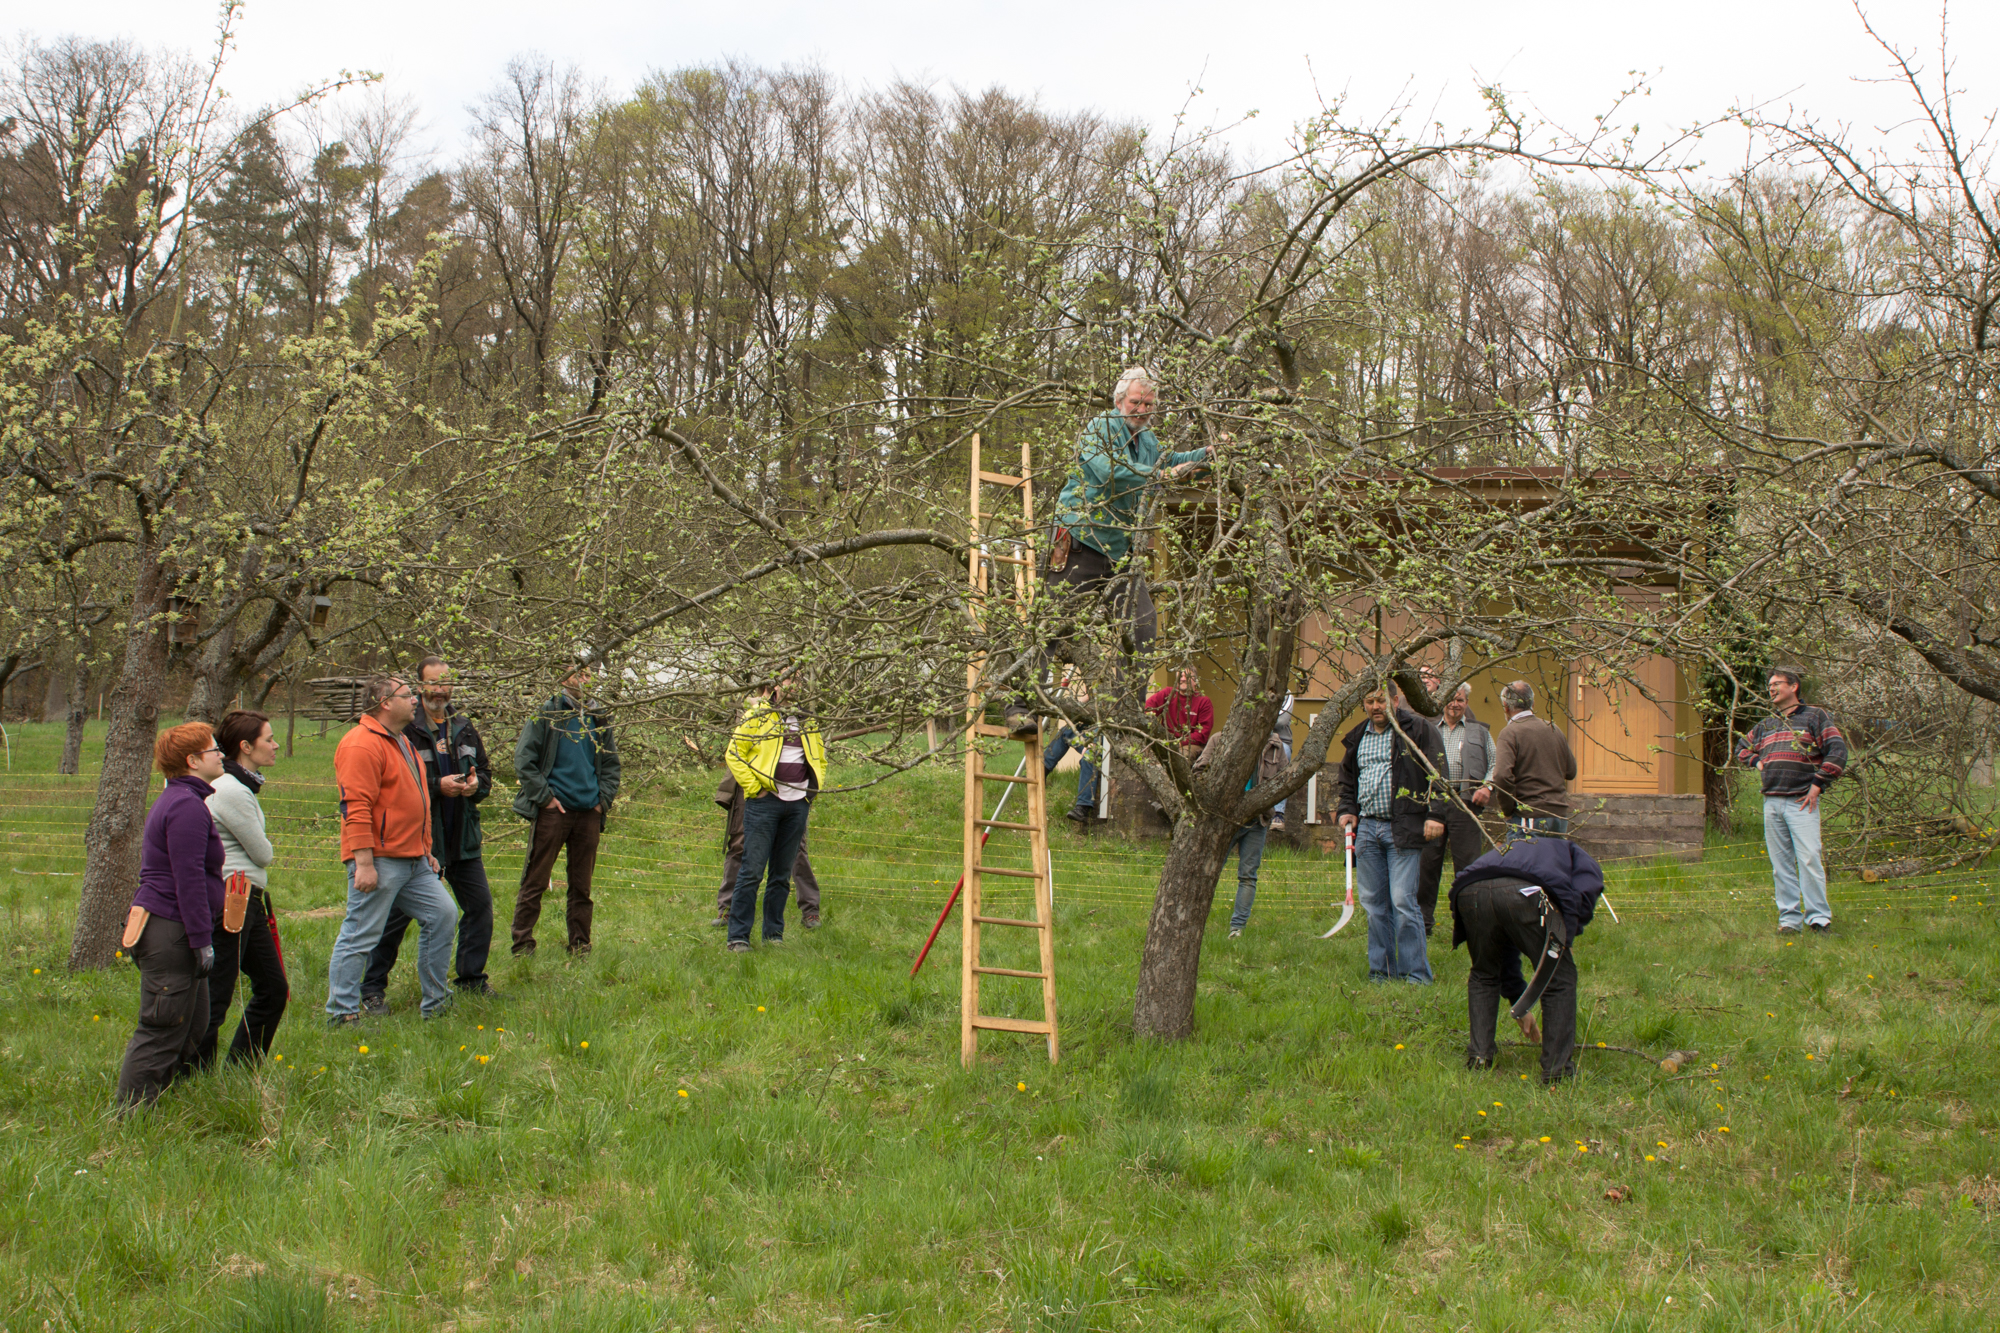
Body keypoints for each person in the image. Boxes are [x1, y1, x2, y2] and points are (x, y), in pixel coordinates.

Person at [1006, 367, 1214, 736]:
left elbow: (1170, 463)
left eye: (1149, 404)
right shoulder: (1100, 428)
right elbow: (1110, 472)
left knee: (1144, 624)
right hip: (1081, 539)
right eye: (1136, 401)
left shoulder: (1147, 441)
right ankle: (1021, 707)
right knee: (1051, 622)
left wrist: (1209, 455)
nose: (1142, 409)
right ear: (1120, 401)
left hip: (1120, 554)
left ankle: (1125, 710)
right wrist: (1162, 477)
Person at [362, 657, 499, 1011]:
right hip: (421, 839)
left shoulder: (464, 726)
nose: (440, 690)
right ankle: (372, 989)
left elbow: (484, 771)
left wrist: (474, 786)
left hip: (462, 836)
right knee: (396, 917)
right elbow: (399, 782)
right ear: (420, 686)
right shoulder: (408, 727)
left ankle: (470, 979)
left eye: (446, 683)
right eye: (433, 683)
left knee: (479, 907)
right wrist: (438, 786)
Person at [325, 676, 460, 1024]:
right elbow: (355, 807)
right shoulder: (361, 744)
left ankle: (437, 1005)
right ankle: (342, 1013)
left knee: (443, 914)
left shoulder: (402, 742)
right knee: (360, 933)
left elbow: (418, 799)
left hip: (413, 859)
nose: (416, 700)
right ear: (384, 701)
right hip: (380, 860)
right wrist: (364, 862)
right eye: (407, 695)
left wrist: (425, 848)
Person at [117, 722, 226, 1105]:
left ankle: (155, 1103)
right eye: (215, 750)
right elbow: (189, 879)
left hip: (178, 930)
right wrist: (201, 940)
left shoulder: (186, 801)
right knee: (162, 1027)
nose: (221, 755)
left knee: (192, 1025)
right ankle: (131, 1117)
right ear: (193, 760)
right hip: (171, 931)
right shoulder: (184, 807)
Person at [1450, 832, 1606, 1084]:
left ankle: (1479, 1058)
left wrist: (1519, 1001)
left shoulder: (1519, 848)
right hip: (1525, 891)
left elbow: (1504, 950)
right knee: (1559, 978)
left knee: (1484, 973)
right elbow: (1586, 892)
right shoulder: (1579, 857)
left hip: (1469, 890)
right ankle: (1557, 1072)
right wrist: (1567, 936)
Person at [1335, 684, 1449, 983]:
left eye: (1382, 700)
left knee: (1402, 900)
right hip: (1368, 828)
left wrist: (1436, 814)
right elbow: (1348, 781)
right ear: (1364, 703)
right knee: (1374, 905)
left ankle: (1416, 975)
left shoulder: (1418, 730)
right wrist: (1347, 809)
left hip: (1404, 826)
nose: (1376, 706)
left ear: (1396, 701)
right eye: (1370, 701)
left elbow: (1439, 772)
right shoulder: (1358, 736)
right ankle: (1381, 973)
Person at [196, 709, 289, 1067]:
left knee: (273, 987)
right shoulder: (231, 790)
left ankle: (241, 1067)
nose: (276, 745)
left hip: (247, 899)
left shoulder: (241, 786)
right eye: (269, 738)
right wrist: (266, 847)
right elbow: (262, 853)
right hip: (233, 900)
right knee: (216, 992)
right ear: (246, 746)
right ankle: (193, 1073)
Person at [511, 664, 620, 957]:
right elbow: (524, 760)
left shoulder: (599, 717)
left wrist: (602, 801)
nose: (584, 679)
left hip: (588, 811)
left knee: (582, 886)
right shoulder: (547, 713)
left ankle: (580, 944)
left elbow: (611, 765)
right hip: (554, 810)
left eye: (588, 674)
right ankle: (522, 945)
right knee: (536, 880)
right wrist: (545, 798)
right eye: (577, 674)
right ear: (563, 678)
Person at [1737, 665, 1847, 935]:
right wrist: (1757, 761)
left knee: (1809, 859)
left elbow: (1838, 750)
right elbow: (1741, 747)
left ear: (1794, 686)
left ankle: (1819, 919)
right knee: (1781, 865)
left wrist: (1818, 785)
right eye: (1770, 685)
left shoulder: (1814, 716)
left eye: (1777, 684)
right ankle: (1789, 921)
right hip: (1772, 802)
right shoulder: (1767, 724)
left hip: (1802, 801)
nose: (1771, 689)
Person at [723, 672, 826, 951]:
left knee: (781, 873)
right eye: (789, 679)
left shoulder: (808, 718)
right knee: (752, 870)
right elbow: (734, 753)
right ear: (775, 685)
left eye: (799, 679)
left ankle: (773, 935)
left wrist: (810, 791)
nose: (795, 685)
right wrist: (755, 788)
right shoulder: (758, 715)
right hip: (764, 803)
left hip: (797, 804)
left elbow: (819, 756)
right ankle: (738, 936)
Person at [1417, 684, 1495, 936]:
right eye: (1451, 699)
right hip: (1432, 807)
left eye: (1460, 700)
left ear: (1467, 702)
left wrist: (1488, 787)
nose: (1455, 704)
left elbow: (1495, 762)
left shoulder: (1480, 732)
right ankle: (1422, 924)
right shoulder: (1427, 729)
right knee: (1426, 869)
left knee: (1468, 869)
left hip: (1466, 806)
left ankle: (1467, 926)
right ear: (1442, 702)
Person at [1197, 729, 1288, 938]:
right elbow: (1199, 771)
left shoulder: (1275, 746)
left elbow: (1284, 782)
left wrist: (1267, 802)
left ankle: (1237, 928)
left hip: (1257, 819)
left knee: (1248, 875)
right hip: (1223, 820)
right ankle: (1197, 922)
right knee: (1208, 871)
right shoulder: (1220, 739)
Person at [711, 770, 823, 929]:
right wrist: (754, 787)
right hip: (753, 782)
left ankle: (810, 911)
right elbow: (736, 751)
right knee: (739, 845)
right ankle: (727, 909)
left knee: (796, 849)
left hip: (790, 784)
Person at [1478, 681, 1577, 837]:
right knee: (1553, 861)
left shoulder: (1510, 732)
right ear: (1532, 702)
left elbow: (1502, 775)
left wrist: (1508, 810)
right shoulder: (1554, 729)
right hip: (1558, 814)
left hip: (1529, 814)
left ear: (1506, 706)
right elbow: (1571, 771)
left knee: (1524, 860)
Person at [1145, 666, 1214, 757]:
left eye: (1188, 676)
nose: (1183, 679)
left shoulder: (1204, 701)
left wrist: (1180, 743)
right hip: (1167, 741)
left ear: (1196, 681)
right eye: (1180, 676)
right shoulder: (1168, 693)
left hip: (1190, 744)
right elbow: (1147, 710)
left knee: (1181, 756)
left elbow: (1202, 734)